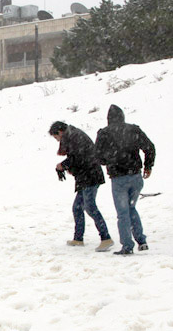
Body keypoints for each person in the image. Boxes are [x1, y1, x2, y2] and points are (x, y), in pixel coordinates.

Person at [95, 104, 155, 256]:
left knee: (123, 213)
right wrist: (148, 166)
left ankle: (127, 246)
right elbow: (149, 147)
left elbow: (98, 157)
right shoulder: (133, 129)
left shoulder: (104, 133)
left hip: (118, 178)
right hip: (136, 175)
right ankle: (141, 241)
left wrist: (109, 160)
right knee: (131, 207)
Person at [49, 121, 113, 252]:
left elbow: (78, 158)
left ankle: (106, 238)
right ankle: (78, 239)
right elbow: (77, 157)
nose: (57, 141)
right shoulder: (73, 135)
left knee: (90, 207)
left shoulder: (74, 137)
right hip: (86, 177)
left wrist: (63, 165)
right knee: (77, 208)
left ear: (60, 132)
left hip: (90, 176)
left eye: (56, 138)